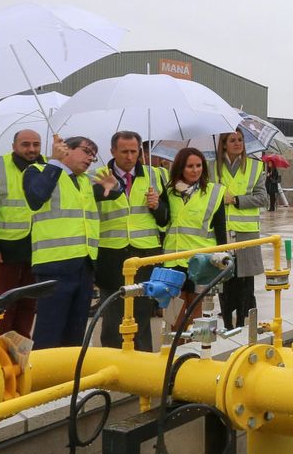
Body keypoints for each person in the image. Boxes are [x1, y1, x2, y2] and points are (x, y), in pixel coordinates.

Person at [24, 135, 106, 350]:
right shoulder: (38, 171)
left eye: (93, 156)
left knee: (76, 333)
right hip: (55, 265)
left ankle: (69, 378)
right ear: (66, 149)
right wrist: (54, 162)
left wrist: (112, 188)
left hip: (84, 265)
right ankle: (43, 379)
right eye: (86, 151)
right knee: (49, 332)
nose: (90, 159)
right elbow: (35, 197)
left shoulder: (84, 181)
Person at [91, 131, 169, 351]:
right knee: (113, 310)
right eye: (124, 151)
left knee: (143, 310)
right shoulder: (97, 176)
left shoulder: (156, 176)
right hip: (111, 253)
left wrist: (157, 206)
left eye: (134, 151)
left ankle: (142, 361)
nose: (129, 156)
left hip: (145, 253)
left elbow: (166, 218)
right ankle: (113, 359)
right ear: (113, 151)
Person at [0, 129, 44, 336]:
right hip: (5, 249)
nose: (31, 149)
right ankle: (1, 346)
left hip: (38, 247)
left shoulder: (48, 167)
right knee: (5, 301)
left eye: (36, 144)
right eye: (25, 144)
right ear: (14, 146)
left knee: (29, 302)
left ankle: (21, 346)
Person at [213, 130, 270, 329]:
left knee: (245, 283)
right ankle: (228, 323)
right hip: (222, 233)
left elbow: (264, 198)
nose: (238, 143)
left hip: (246, 234)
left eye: (240, 140)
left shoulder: (255, 167)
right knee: (225, 281)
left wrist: (236, 200)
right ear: (223, 144)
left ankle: (246, 323)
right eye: (232, 140)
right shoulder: (213, 168)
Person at [164, 146, 226, 322]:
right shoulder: (168, 192)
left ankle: (194, 349)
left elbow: (221, 229)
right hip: (174, 260)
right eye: (190, 166)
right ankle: (176, 349)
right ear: (180, 168)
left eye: (199, 165)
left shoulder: (215, 192)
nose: (195, 170)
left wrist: (224, 259)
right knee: (175, 316)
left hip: (202, 261)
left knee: (196, 316)